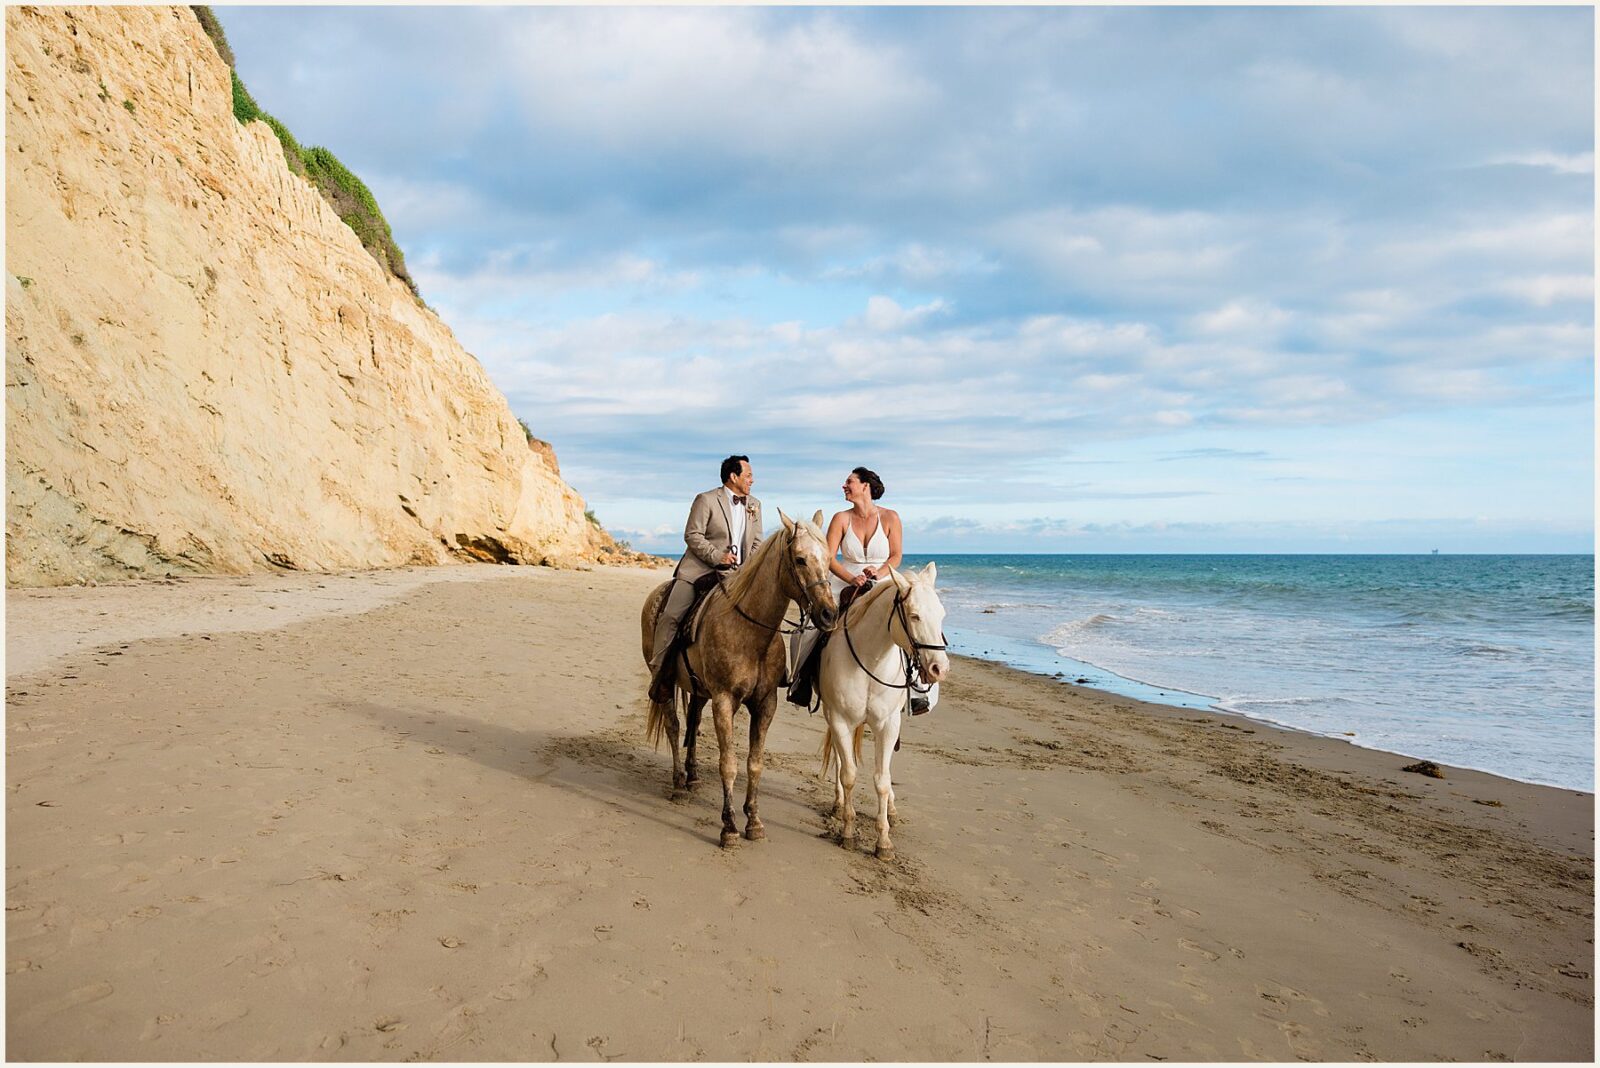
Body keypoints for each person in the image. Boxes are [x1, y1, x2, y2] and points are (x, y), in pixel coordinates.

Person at [787, 466, 935, 713]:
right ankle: (801, 681)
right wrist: (851, 577)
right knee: (811, 628)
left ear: (865, 486)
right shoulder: (840, 519)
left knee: (908, 622)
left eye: (849, 482)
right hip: (844, 579)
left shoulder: (891, 517)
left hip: (883, 578)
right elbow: (829, 557)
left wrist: (880, 572)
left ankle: (916, 690)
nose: (844, 486)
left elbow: (896, 555)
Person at [648, 455, 762, 701]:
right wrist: (717, 556)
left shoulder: (755, 504)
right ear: (733, 476)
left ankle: (771, 671)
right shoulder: (706, 499)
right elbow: (693, 535)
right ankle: (661, 672)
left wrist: (749, 569)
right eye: (749, 475)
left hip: (739, 574)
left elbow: (757, 543)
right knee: (671, 615)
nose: (753, 480)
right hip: (700, 569)